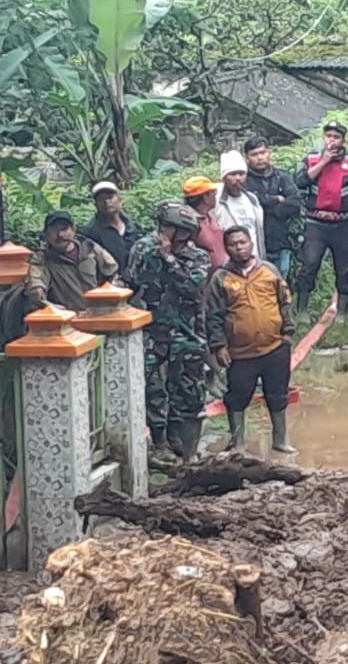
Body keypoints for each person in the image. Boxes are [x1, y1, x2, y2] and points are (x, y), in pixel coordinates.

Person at [120, 201, 212, 462]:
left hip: (187, 334)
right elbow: (132, 281)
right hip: (152, 332)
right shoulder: (143, 248)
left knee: (190, 392)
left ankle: (189, 452)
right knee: (148, 386)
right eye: (162, 226)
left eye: (170, 228)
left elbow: (192, 288)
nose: (163, 232)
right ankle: (158, 443)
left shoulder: (198, 257)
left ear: (183, 233)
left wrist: (168, 257)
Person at [205, 226, 296, 454]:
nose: (239, 247)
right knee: (237, 397)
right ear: (226, 248)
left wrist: (288, 333)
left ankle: (280, 440)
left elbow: (285, 301)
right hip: (239, 353)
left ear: (251, 244)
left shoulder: (269, 270)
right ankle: (238, 443)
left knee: (277, 394)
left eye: (243, 242)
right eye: (234, 244)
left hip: (275, 347)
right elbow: (213, 315)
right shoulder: (221, 278)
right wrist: (218, 346)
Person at [294, 121, 348, 317]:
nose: (332, 141)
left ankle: (342, 311)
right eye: (328, 137)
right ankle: (302, 310)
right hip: (315, 223)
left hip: (344, 224)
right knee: (310, 264)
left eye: (336, 137)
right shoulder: (311, 159)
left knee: (343, 268)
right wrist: (323, 162)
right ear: (323, 138)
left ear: (343, 140)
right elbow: (299, 182)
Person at [23, 210, 119, 313]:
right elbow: (36, 287)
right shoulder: (42, 259)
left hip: (99, 316)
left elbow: (113, 273)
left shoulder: (90, 249)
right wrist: (49, 306)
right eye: (54, 230)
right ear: (46, 235)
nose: (60, 235)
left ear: (73, 230)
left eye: (64, 229)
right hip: (69, 321)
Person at [243, 137, 302, 278]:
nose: (260, 158)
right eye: (254, 154)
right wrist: (276, 199)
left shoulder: (282, 177)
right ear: (247, 158)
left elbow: (295, 203)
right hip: (255, 244)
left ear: (269, 153)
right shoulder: (244, 180)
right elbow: (249, 202)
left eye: (262, 153)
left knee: (281, 284)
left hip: (282, 241)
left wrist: (269, 208)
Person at [214, 150, 265, 258]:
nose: (238, 178)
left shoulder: (251, 199)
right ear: (224, 177)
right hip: (229, 263)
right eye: (232, 174)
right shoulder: (216, 200)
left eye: (241, 174)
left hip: (254, 260)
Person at [80, 181, 141, 270]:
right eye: (101, 199)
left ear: (120, 200)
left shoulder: (132, 225)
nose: (107, 202)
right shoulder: (90, 232)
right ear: (96, 205)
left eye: (110, 197)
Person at [183, 176, 226, 267]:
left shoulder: (211, 216)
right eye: (214, 193)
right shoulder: (188, 223)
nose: (216, 196)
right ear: (205, 197)